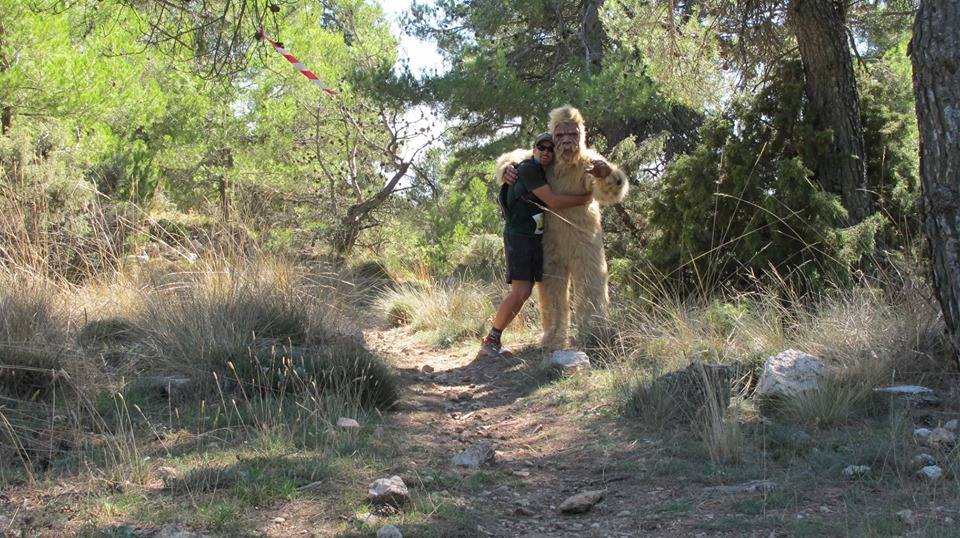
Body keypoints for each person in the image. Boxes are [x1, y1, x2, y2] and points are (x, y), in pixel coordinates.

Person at [479, 133, 594, 358]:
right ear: (534, 149)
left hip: (531, 238)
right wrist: (584, 199)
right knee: (520, 291)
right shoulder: (529, 169)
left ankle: (494, 338)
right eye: (541, 147)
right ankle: (491, 338)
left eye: (550, 149)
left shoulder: (540, 171)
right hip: (519, 237)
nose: (546, 152)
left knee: (524, 291)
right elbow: (553, 201)